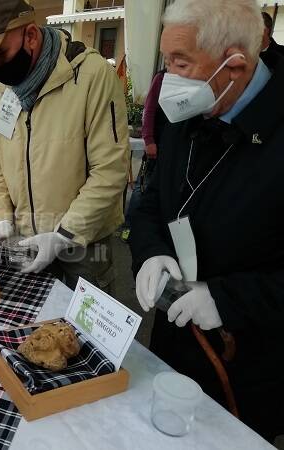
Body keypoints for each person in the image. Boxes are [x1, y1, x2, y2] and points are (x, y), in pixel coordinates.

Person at [129, 0, 284, 442]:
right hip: (175, 345)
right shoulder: (191, 105)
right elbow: (150, 201)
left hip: (251, 367)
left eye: (181, 62)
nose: (168, 79)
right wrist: (152, 253)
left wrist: (228, 299)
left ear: (234, 66)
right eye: (166, 60)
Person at [0, 0, 129, 292]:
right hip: (25, 237)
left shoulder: (92, 76)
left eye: (1, 53)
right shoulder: (3, 88)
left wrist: (65, 235)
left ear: (30, 35)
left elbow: (110, 170)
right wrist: (2, 217)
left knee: (84, 334)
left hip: (84, 244)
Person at [121, 69, 167, 242]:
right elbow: (149, 110)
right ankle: (128, 227)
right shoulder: (162, 78)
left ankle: (150, 231)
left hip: (174, 148)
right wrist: (149, 140)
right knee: (142, 186)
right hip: (157, 145)